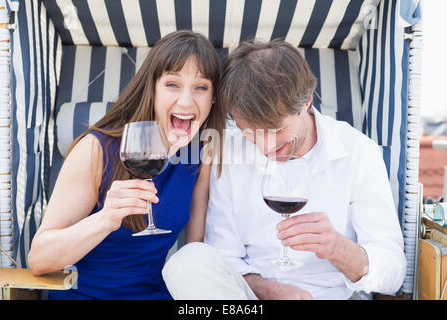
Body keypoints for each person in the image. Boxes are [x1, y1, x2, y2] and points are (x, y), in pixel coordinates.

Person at [162, 39, 407, 300]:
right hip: (251, 299)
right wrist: (271, 291)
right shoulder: (229, 154)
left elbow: (393, 273)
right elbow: (224, 255)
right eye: (250, 134)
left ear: (307, 101)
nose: (265, 147)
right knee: (186, 261)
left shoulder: (358, 152)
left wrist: (338, 248)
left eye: (276, 129)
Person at [27, 30, 224, 300]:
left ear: (212, 99)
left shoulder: (201, 156)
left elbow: (195, 254)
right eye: (172, 84)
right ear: (152, 88)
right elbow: (39, 259)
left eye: (201, 87)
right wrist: (105, 220)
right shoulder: (95, 150)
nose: (187, 101)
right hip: (85, 295)